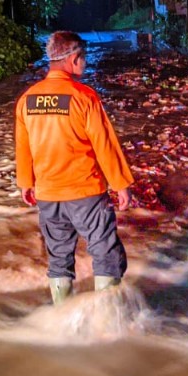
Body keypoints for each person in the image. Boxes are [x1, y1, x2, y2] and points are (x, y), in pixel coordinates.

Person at [15, 31, 134, 305]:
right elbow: (104, 144)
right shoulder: (84, 96)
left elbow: (24, 147)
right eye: (84, 57)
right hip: (86, 193)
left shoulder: (27, 99)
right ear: (73, 58)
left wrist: (25, 182)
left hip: (47, 194)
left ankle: (62, 318)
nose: (86, 63)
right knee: (105, 253)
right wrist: (120, 185)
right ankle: (106, 317)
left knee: (59, 257)